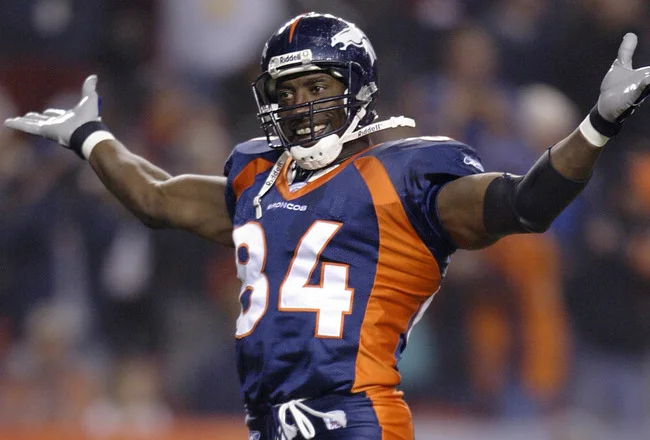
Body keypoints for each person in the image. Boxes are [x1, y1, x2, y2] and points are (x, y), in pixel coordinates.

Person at [5, 11, 650, 440]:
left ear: (357, 89)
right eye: (285, 93)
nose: (299, 106)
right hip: (268, 422)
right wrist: (90, 136)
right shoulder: (257, 179)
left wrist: (597, 125)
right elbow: (155, 198)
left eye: (315, 88)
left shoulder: (407, 178)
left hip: (354, 417)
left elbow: (526, 204)